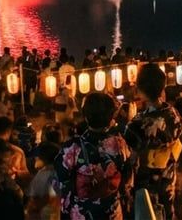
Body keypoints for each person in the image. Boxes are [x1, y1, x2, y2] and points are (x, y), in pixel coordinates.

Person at [56, 92, 133, 220]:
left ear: (86, 117)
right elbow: (127, 177)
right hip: (111, 210)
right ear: (111, 117)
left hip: (82, 212)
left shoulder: (73, 147)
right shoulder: (120, 144)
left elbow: (62, 180)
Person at [124, 63, 182, 220]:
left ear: (140, 90)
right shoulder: (173, 114)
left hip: (147, 184)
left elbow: (130, 158)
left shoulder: (137, 124)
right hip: (168, 178)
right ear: (162, 87)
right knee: (167, 212)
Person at [25, 141, 60, 220]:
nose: (35, 159)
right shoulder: (59, 172)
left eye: (36, 157)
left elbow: (35, 202)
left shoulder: (44, 175)